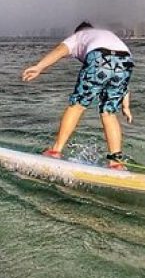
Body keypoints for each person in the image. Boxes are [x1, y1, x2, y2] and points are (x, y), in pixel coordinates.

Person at [22, 21, 135, 169]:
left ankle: (55, 150)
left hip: (99, 57)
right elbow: (117, 67)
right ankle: (116, 162)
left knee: (77, 106)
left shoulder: (78, 36)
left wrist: (39, 67)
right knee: (109, 112)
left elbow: (59, 50)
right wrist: (125, 105)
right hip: (126, 60)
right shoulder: (106, 35)